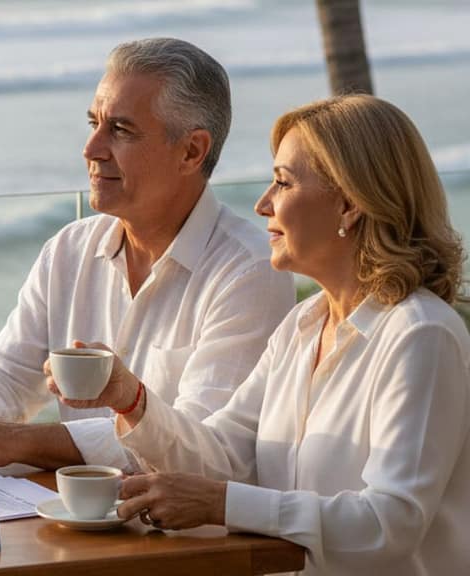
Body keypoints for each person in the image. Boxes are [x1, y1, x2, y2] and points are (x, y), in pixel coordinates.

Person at [48, 94, 469, 575]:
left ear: (350, 204)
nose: (262, 203)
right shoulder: (302, 325)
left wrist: (224, 504)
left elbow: (390, 523)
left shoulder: (421, 336)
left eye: (283, 183)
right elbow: (221, 455)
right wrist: (130, 397)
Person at [0, 37, 295, 470]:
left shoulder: (249, 270)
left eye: (120, 130)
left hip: (186, 532)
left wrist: (11, 442)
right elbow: (8, 371)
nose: (91, 149)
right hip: (74, 519)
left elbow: (200, 444)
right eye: (93, 124)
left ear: (192, 151)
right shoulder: (70, 248)